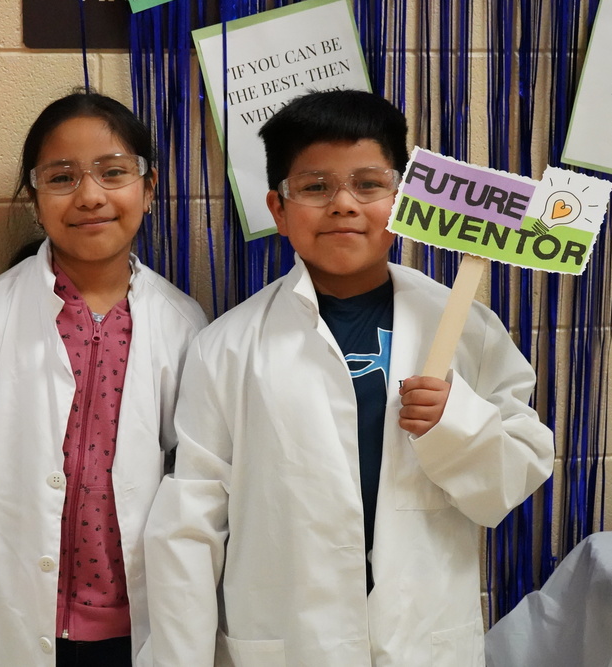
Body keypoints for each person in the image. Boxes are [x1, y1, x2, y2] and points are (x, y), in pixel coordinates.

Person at [143, 89, 555, 666]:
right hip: (289, 640)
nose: (343, 204)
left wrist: (456, 424)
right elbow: (190, 525)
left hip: (423, 638)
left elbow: (516, 474)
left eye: (369, 185)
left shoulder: (467, 329)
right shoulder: (227, 349)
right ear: (279, 210)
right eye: (314, 187)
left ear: (403, 198)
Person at [0, 91, 207, 667]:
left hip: (143, 617)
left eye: (114, 172)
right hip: (24, 616)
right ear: (35, 197)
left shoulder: (183, 324)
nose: (90, 196)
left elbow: (196, 479)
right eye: (62, 177)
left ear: (148, 191)